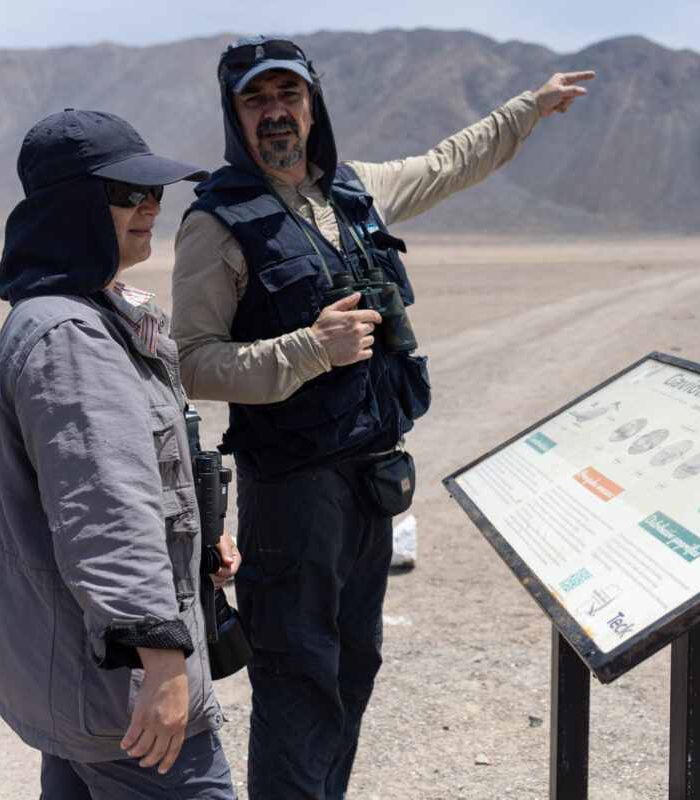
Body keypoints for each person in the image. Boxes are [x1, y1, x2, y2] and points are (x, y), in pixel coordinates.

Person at [170, 34, 593, 798]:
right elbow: (194, 361)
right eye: (256, 100)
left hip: (373, 483)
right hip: (296, 493)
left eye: (288, 96)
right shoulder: (217, 225)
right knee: (299, 677)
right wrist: (310, 348)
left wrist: (529, 109)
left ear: (312, 102)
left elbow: (448, 162)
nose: (276, 114)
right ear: (234, 115)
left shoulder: (353, 192)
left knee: (353, 665)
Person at [0, 109, 241, 799]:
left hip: (81, 673)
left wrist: (194, 542)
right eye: (128, 193)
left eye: (155, 192)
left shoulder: (91, 310)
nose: (152, 206)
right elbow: (105, 510)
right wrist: (161, 657)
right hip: (117, 684)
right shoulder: (72, 336)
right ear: (74, 208)